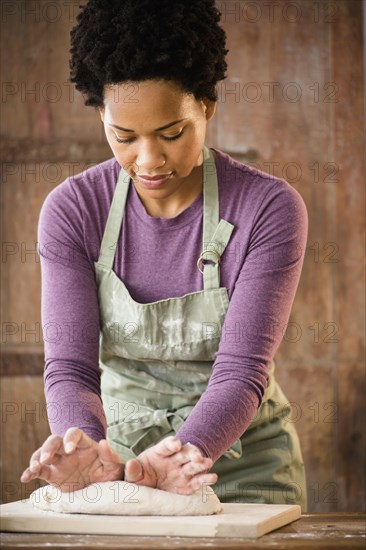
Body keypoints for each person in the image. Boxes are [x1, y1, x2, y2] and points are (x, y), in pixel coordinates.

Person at [21, 0, 308, 510]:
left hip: (243, 468)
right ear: (101, 115)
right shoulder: (71, 211)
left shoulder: (268, 208)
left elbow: (242, 369)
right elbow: (70, 367)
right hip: (122, 467)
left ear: (207, 106)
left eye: (171, 133)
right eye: (123, 137)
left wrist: (184, 453)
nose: (149, 161)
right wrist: (83, 445)